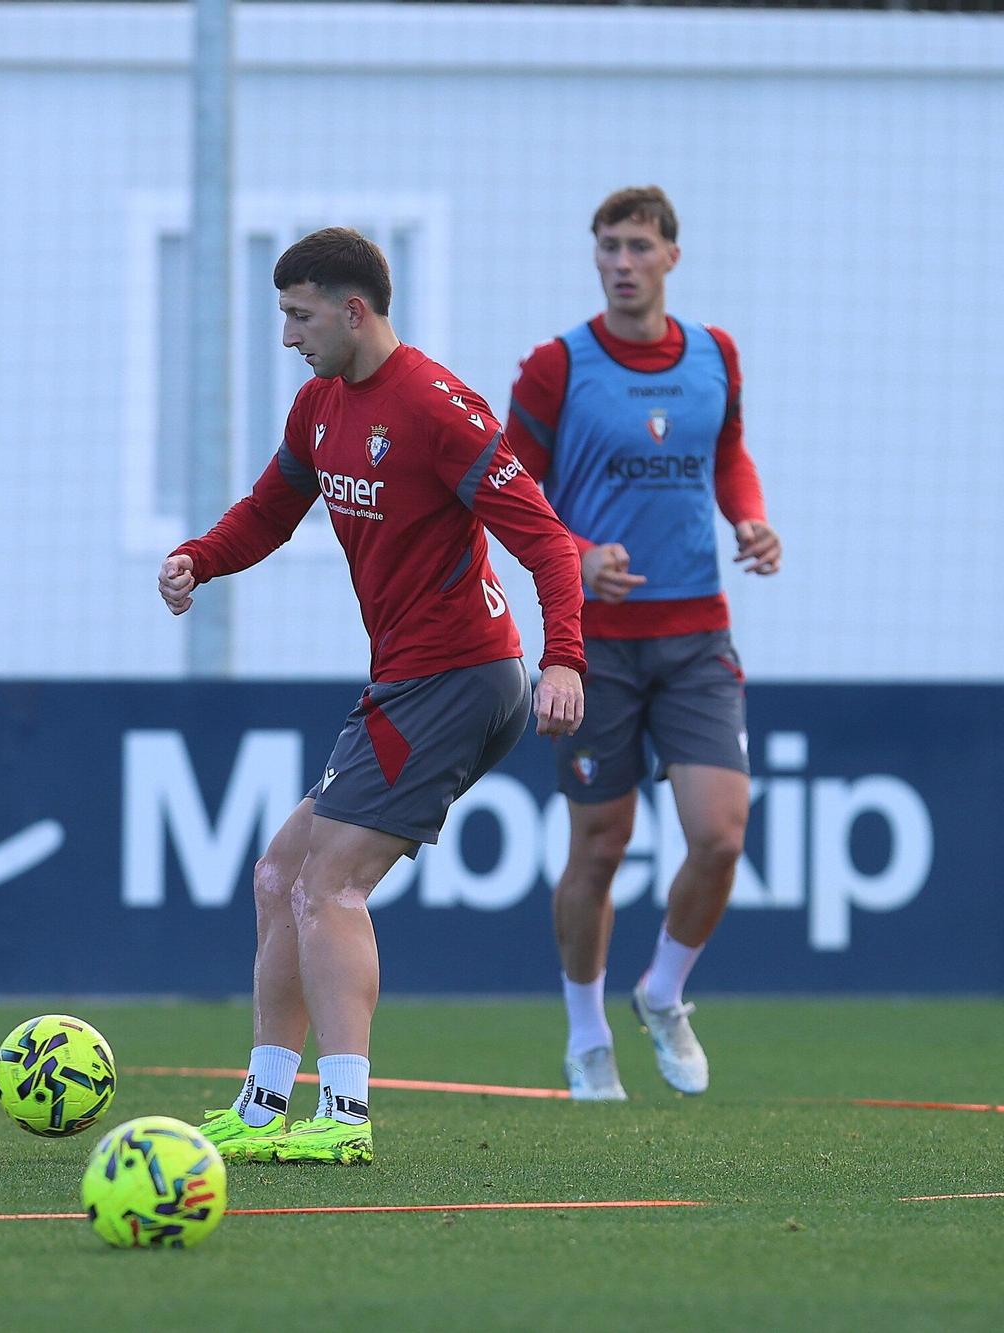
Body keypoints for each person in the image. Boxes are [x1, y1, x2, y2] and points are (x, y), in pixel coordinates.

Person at [160, 228, 586, 1165]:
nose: (287, 336)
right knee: (279, 875)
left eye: (299, 315)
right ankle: (266, 1102)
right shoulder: (318, 407)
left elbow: (549, 542)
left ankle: (343, 1115)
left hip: (462, 675)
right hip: (405, 679)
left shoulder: (440, 407)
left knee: (329, 884)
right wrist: (201, 556)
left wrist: (565, 661)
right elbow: (272, 510)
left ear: (355, 310)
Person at [505, 186, 780, 1101]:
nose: (620, 262)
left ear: (671, 255)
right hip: (599, 645)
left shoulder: (715, 357)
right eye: (606, 247)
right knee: (599, 848)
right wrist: (576, 557)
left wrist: (751, 520)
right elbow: (508, 493)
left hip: (697, 632)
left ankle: (663, 993)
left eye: (636, 246)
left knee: (720, 834)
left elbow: (728, 451)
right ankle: (586, 1034)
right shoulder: (556, 367)